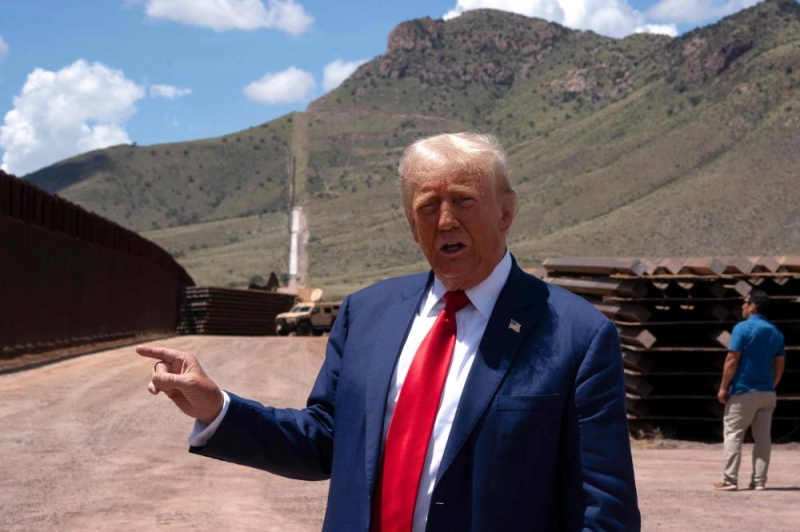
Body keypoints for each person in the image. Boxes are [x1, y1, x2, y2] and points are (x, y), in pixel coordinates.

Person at [138, 132, 640, 531]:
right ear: (411, 224)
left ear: (506, 211)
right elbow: (326, 440)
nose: (446, 221)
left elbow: (602, 508)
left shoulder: (576, 335)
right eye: (428, 206)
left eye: (464, 200)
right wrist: (216, 407)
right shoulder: (366, 313)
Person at [714, 289, 785, 491]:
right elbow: (780, 363)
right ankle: (759, 481)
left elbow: (732, 359)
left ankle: (730, 479)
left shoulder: (742, 328)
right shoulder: (775, 331)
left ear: (753, 307)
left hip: (743, 390)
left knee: (734, 434)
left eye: (745, 303)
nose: (742, 306)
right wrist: (772, 384)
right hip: (767, 392)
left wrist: (723, 387)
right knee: (763, 438)